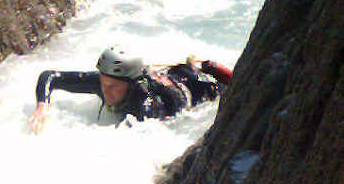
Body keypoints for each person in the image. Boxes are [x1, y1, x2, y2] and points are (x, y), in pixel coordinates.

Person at [28, 45, 232, 133]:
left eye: (114, 87)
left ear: (132, 84)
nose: (106, 91)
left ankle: (210, 67)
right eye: (103, 83)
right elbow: (50, 76)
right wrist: (42, 106)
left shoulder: (145, 106)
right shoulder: (104, 81)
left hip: (196, 88)